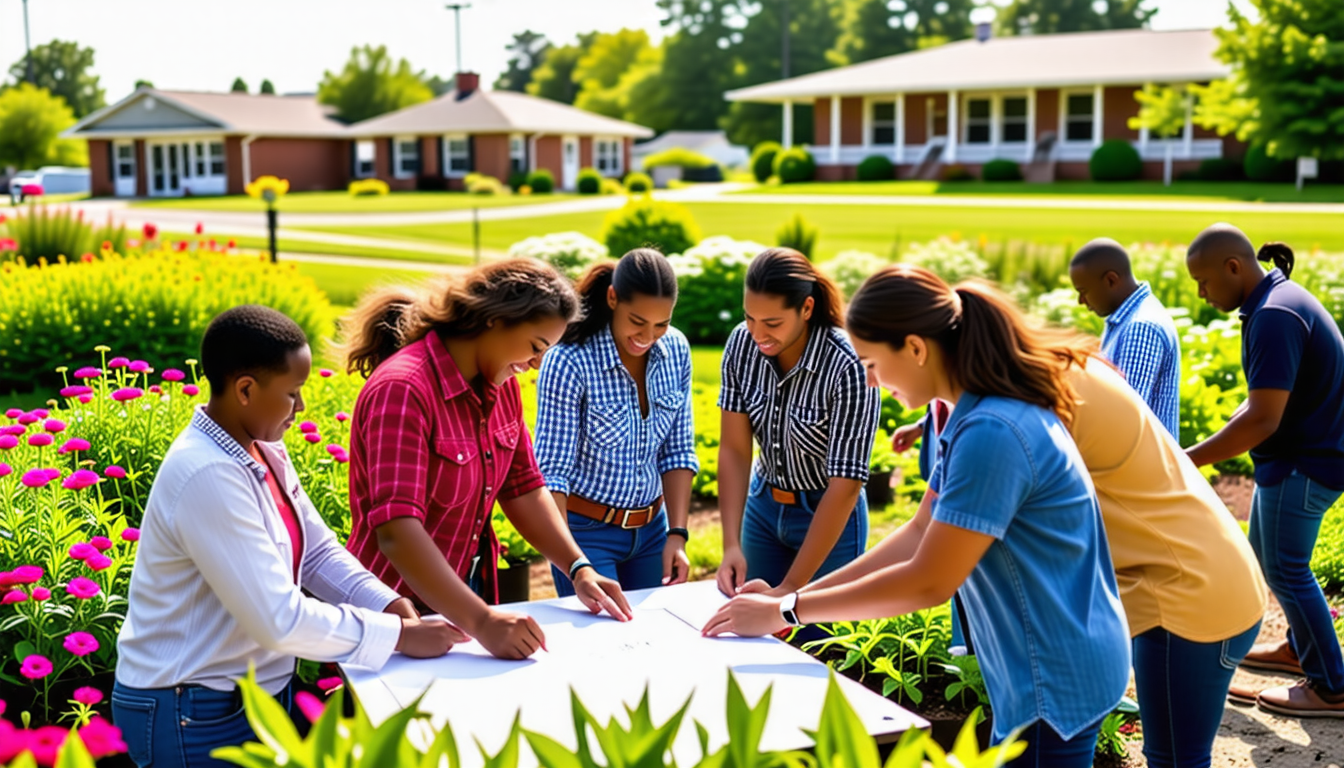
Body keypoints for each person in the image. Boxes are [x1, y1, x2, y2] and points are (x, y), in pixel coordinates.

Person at [706, 266, 1130, 767]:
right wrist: (792, 596)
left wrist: (788, 611)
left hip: (1054, 676)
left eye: (870, 363)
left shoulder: (991, 431)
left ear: (915, 348)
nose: (869, 380)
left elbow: (929, 581)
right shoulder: (971, 415)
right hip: (1042, 666)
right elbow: (917, 533)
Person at [113, 306, 460, 768]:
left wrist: (386, 603)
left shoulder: (260, 448)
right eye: (293, 394)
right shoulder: (208, 473)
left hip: (249, 695)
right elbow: (278, 619)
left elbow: (317, 553)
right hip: (190, 710)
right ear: (245, 390)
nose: (300, 408)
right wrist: (398, 636)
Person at [342, 260, 633, 663]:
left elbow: (524, 488)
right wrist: (481, 622)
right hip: (392, 614)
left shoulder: (501, 386)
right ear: (495, 320)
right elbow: (396, 532)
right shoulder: (404, 389)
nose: (536, 364)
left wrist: (579, 567)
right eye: (535, 347)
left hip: (461, 603)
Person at [1185, 224, 1344, 717]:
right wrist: (1192, 449)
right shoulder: (1276, 300)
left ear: (1234, 267)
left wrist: (1184, 462)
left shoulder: (1274, 316)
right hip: (1307, 452)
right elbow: (1258, 405)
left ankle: (1331, 687)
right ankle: (1301, 650)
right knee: (1272, 558)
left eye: (1204, 282)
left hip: (1306, 461)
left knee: (1285, 567)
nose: (1201, 293)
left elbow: (1262, 420)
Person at [714, 248, 881, 598]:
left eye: (773, 323)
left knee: (824, 642)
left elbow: (846, 485)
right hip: (762, 508)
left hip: (828, 514)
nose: (758, 334)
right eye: (750, 318)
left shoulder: (848, 365)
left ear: (806, 308)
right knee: (757, 639)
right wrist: (731, 543)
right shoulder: (741, 345)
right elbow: (734, 449)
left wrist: (790, 589)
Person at [535, 249, 699, 595]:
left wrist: (677, 534)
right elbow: (553, 473)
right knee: (599, 642)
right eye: (637, 321)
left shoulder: (677, 350)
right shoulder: (569, 361)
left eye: (661, 324)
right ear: (613, 298)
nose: (648, 336)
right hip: (585, 534)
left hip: (654, 532)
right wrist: (574, 562)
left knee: (656, 640)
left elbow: (679, 451)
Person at [1069, 238, 1181, 438]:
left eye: (1083, 291)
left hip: (1142, 467)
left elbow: (1123, 416)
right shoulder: (1127, 318)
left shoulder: (1141, 327)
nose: (1081, 301)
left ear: (1111, 280)